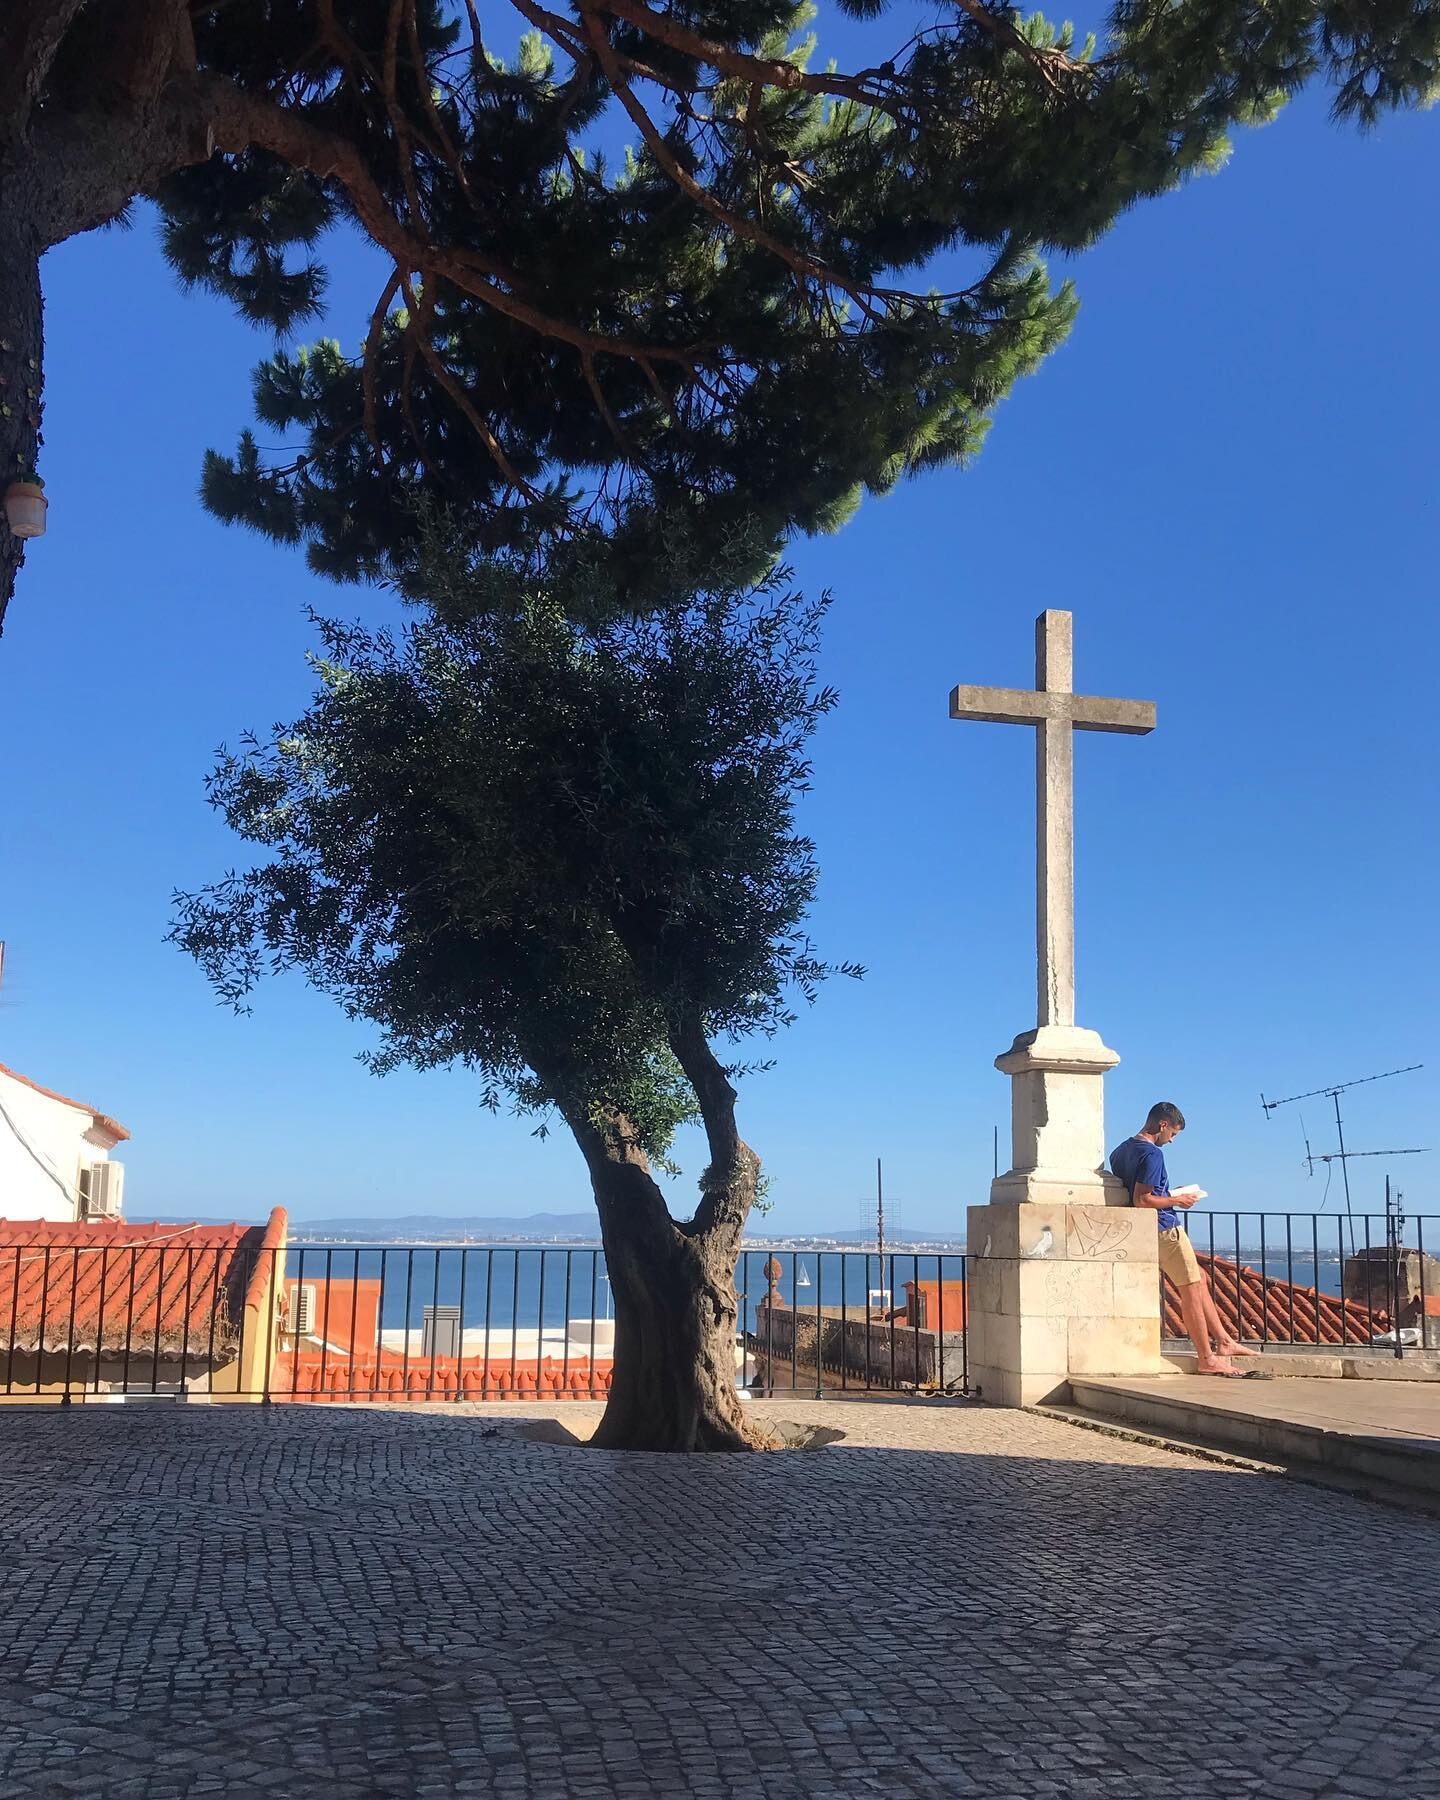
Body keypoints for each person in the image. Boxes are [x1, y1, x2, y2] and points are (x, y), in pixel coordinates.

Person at [1110, 1102, 1257, 1376]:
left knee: (1199, 1277)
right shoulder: (1152, 1154)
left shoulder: (1121, 1150)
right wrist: (1178, 1199)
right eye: (1173, 1134)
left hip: (1140, 1229)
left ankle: (1224, 1341)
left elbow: (1138, 1192)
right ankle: (1207, 1358)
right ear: (1163, 1125)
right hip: (1164, 1229)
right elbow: (1142, 1200)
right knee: (1190, 1287)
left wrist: (1169, 1193)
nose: (1173, 1140)